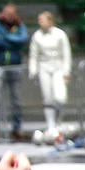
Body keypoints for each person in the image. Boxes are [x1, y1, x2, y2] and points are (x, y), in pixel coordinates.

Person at [28, 11, 71, 141]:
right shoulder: (37, 36)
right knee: (47, 98)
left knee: (60, 97)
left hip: (58, 67)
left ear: (50, 21)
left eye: (42, 20)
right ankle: (51, 125)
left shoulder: (60, 35)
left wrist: (66, 72)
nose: (40, 22)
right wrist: (33, 70)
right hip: (44, 67)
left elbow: (66, 54)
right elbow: (34, 55)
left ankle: (59, 121)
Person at [0, 2, 28, 142]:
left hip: (15, 66)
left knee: (16, 100)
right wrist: (12, 41)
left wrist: (4, 37)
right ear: (3, 13)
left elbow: (23, 40)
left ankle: (17, 129)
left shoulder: (20, 25)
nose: (10, 16)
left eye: (12, 14)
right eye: (7, 13)